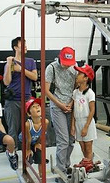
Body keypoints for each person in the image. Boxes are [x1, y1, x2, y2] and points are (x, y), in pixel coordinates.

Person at [45, 46, 77, 178]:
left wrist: (70, 103)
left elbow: (76, 87)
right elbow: (46, 90)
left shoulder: (74, 68)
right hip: (57, 107)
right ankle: (60, 170)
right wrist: (60, 104)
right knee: (63, 139)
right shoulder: (51, 68)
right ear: (60, 58)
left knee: (71, 139)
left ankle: (66, 165)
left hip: (71, 105)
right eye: (65, 63)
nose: (67, 66)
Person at [3, 37, 38, 148]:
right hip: (12, 101)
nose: (25, 46)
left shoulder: (30, 61)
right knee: (13, 129)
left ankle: (28, 151)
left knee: (28, 127)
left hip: (27, 100)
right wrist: (9, 65)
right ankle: (12, 153)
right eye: (22, 44)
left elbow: (34, 77)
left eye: (25, 44)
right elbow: (6, 81)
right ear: (15, 47)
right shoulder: (10, 63)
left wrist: (21, 69)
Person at [71, 64, 97, 169]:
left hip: (88, 122)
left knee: (88, 148)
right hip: (78, 122)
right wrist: (72, 125)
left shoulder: (90, 93)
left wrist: (86, 126)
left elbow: (92, 110)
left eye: (79, 74)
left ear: (86, 78)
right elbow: (73, 109)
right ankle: (88, 163)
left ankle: (89, 168)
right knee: (82, 147)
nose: (77, 75)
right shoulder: (75, 92)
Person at [18, 97, 49, 178]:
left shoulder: (45, 122)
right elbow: (28, 139)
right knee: (28, 158)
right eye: (33, 107)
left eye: (38, 105)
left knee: (41, 156)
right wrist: (28, 150)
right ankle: (26, 175)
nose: (37, 107)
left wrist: (38, 143)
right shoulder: (27, 124)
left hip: (35, 141)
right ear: (29, 113)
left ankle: (42, 176)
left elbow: (42, 135)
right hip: (25, 142)